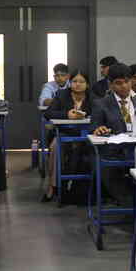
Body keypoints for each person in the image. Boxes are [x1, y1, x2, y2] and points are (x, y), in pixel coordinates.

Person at [90, 63, 136, 207]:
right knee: (110, 173)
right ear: (110, 85)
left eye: (127, 82)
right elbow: (94, 127)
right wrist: (99, 130)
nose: (124, 86)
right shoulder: (101, 104)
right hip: (113, 154)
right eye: (118, 83)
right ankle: (131, 204)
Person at [41, 70, 93, 202]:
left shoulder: (93, 97)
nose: (78, 84)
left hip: (87, 135)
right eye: (75, 81)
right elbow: (48, 113)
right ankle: (52, 186)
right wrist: (67, 115)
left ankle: (84, 189)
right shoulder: (62, 95)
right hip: (64, 133)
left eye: (81, 82)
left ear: (87, 84)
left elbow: (99, 114)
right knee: (55, 147)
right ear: (70, 83)